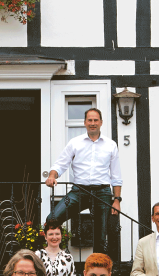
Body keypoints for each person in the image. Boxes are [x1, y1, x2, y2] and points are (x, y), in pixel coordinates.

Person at [44, 107, 123, 258]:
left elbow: (116, 175)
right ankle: (55, 258)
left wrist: (117, 199)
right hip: (79, 191)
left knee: (100, 236)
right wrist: (52, 176)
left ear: (101, 122)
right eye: (90, 120)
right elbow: (60, 164)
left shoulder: (110, 144)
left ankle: (96, 273)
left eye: (95, 120)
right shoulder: (75, 142)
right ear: (85, 122)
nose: (93, 123)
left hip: (102, 192)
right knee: (52, 219)